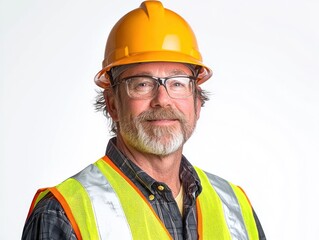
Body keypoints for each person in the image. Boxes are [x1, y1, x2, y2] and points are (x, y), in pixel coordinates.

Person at [22, 1, 266, 239]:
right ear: (113, 104)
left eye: (178, 83)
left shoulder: (235, 207)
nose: (162, 99)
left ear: (197, 102)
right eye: (142, 84)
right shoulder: (63, 213)